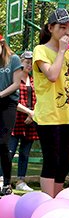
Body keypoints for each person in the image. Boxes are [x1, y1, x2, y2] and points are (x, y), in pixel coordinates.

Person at [32, 8, 69, 197]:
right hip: (49, 115)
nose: (67, 32)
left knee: (64, 162)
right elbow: (53, 75)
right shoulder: (41, 50)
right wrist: (62, 51)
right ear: (50, 28)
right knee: (52, 160)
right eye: (62, 27)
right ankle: (47, 204)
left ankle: (56, 202)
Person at [9, 50, 37, 192]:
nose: (29, 65)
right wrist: (28, 112)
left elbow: (40, 99)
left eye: (31, 63)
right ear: (20, 62)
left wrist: (32, 115)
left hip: (30, 122)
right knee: (9, 151)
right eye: (27, 62)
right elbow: (12, 101)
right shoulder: (13, 78)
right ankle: (3, 180)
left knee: (25, 153)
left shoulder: (35, 80)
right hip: (14, 121)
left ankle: (21, 181)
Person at [0, 35, 23, 195]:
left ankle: (7, 183)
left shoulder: (14, 59)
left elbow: (16, 84)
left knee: (3, 143)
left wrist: (0, 94)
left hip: (8, 104)